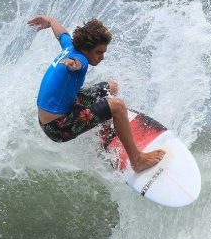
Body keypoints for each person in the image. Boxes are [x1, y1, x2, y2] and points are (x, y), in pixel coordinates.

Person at [29, 15, 164, 172]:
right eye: (99, 52)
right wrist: (72, 64)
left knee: (110, 87)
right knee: (118, 105)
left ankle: (106, 121)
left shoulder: (70, 46)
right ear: (86, 49)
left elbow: (62, 34)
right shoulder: (81, 59)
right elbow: (77, 63)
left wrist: (50, 21)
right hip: (57, 127)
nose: (102, 57)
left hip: (58, 111)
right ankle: (137, 160)